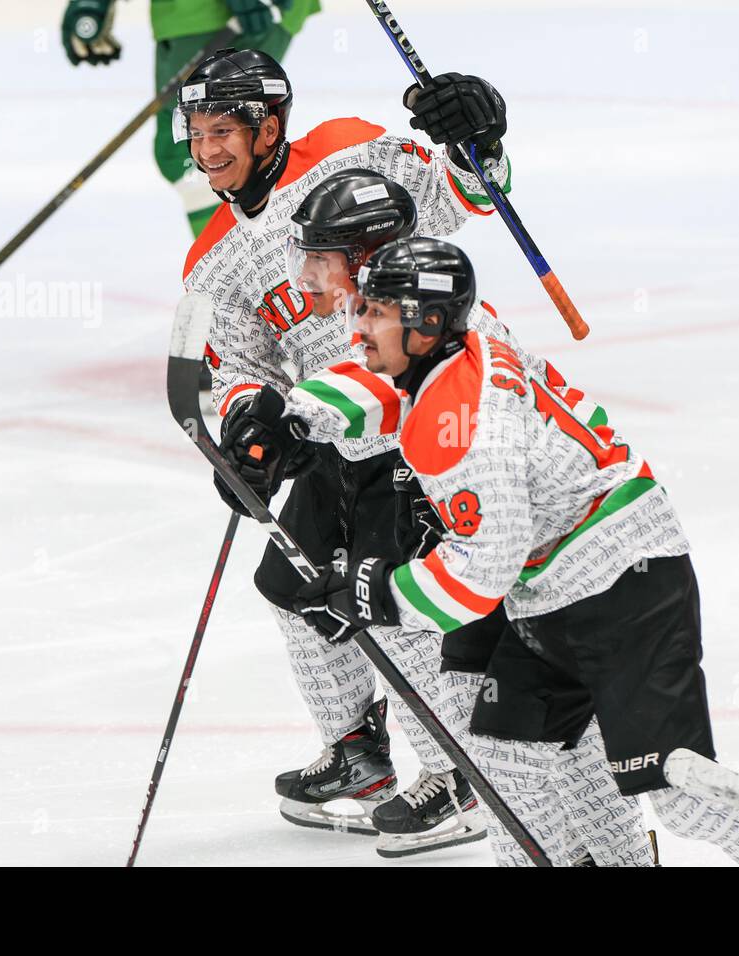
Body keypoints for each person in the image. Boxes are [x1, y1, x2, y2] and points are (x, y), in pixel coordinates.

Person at [239, 234, 739, 866]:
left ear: (425, 324)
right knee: (499, 757)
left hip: (623, 581)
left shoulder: (470, 432)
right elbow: (375, 383)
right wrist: (292, 418)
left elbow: (479, 580)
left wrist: (371, 590)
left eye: (376, 314)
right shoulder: (467, 340)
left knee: (675, 794)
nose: (359, 329)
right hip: (554, 586)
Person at [230, 169, 656, 863]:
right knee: (511, 747)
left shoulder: (449, 339)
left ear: (370, 261)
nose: (307, 277)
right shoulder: (403, 321)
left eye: (322, 259)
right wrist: (280, 423)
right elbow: (364, 387)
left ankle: (583, 841)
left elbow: (378, 391)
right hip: (505, 554)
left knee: (544, 746)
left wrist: (378, 589)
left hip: (554, 568)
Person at [175, 43, 515, 849]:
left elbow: (472, 194)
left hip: (427, 402)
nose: (208, 149)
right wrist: (251, 432)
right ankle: (359, 753)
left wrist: (479, 139)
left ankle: (457, 775)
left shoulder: (355, 150)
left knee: (389, 595)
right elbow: (242, 372)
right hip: (329, 427)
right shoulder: (210, 262)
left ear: (270, 127)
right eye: (197, 133)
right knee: (291, 579)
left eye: (224, 129)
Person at [61, 0, 322, 236]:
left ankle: (254, 270)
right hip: (193, 16)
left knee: (213, 152)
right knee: (200, 155)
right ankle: (255, 268)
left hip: (209, 14)